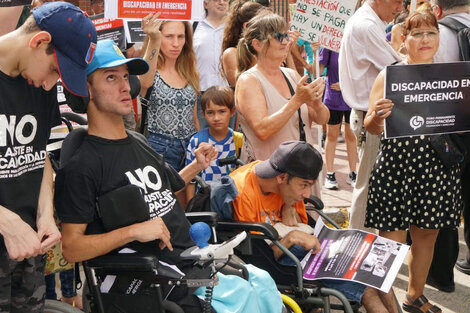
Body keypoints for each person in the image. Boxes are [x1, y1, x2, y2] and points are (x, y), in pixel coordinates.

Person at [54, 39, 221, 312]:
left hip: (191, 264)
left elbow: (161, 189)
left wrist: (195, 166)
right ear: (87, 88)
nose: (124, 86)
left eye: (125, 77)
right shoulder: (81, 167)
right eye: (110, 78)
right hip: (152, 281)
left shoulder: (137, 141)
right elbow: (71, 248)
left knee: (260, 285)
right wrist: (133, 231)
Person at [363, 11, 463, 313]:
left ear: (438, 38)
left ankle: (414, 295)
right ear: (403, 40)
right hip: (397, 166)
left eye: (431, 33)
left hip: (436, 167)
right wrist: (378, 116)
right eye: (417, 34)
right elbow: (369, 125)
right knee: (391, 240)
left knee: (428, 234)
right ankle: (381, 296)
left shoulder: (452, 76)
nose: (425, 40)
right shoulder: (389, 75)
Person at [0, 2, 97, 312]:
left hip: (28, 247)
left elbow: (36, 152)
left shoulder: (37, 84)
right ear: (39, 41)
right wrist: (6, 221)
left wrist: (44, 212)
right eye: (56, 70)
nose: (49, 84)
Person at [230, 140, 399, 313]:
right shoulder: (242, 193)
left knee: (378, 269)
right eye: (304, 185)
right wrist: (290, 238)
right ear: (281, 177)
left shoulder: (282, 174)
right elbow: (261, 260)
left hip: (309, 249)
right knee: (366, 284)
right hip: (281, 262)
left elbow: (304, 220)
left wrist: (289, 205)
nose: (307, 194)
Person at [338, 0, 403, 230]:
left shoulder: (369, 21)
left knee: (371, 185)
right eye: (397, 2)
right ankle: (358, 246)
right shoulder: (366, 25)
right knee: (368, 186)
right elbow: (397, 67)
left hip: (370, 113)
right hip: (371, 116)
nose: (401, 9)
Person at [235, 13, 329, 163]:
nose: (286, 41)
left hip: (301, 170)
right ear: (257, 44)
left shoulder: (291, 75)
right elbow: (262, 130)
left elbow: (323, 118)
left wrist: (317, 103)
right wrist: (297, 100)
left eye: (286, 35)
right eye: (279, 36)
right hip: (271, 174)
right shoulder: (249, 80)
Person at [426, 0, 470, 291]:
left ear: (438, 9)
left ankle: (439, 272)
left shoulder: (435, 35)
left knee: (444, 199)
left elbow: (424, 87)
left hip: (448, 132)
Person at [139, 17, 200, 175]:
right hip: (159, 147)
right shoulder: (151, 70)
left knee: (189, 199)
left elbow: (193, 118)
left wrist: (201, 142)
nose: (176, 43)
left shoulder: (189, 71)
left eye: (181, 37)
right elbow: (143, 83)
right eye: (169, 36)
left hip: (190, 147)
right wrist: (154, 39)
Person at [185, 86, 242, 201]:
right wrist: (190, 208)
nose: (216, 118)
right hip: (204, 202)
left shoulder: (239, 140)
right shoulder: (197, 141)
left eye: (222, 111)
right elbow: (191, 180)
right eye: (210, 113)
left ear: (232, 112)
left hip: (231, 202)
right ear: (204, 114)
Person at [319, 48, 358, 190]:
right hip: (333, 99)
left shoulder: (354, 42)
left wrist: (345, 85)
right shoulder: (329, 45)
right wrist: (315, 50)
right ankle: (330, 172)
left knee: (351, 136)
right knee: (332, 135)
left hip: (351, 97)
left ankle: (353, 172)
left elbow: (361, 70)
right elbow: (316, 70)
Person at [221, 0, 265, 87]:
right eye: (263, 21)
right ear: (247, 26)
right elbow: (242, 87)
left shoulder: (271, 48)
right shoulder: (231, 53)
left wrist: (289, 52)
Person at [193, 0, 229, 93]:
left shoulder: (234, 28)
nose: (222, 3)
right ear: (205, 4)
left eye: (225, 0)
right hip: (199, 91)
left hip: (228, 92)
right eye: (216, 0)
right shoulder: (193, 26)